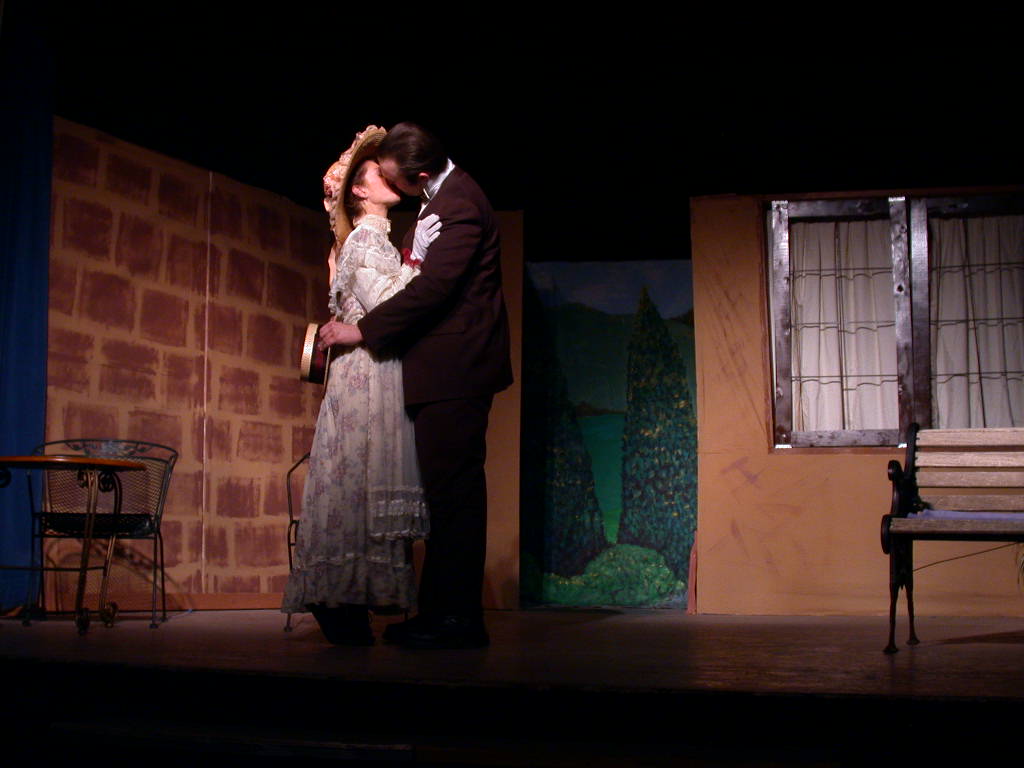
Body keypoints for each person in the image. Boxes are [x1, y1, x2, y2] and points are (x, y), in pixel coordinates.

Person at [319, 122, 512, 649]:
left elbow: (435, 290)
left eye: (391, 175)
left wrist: (364, 330)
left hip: (456, 367)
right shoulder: (437, 201)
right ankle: (441, 613)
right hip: (440, 368)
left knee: (454, 495)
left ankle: (456, 619)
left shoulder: (459, 204)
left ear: (419, 175)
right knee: (446, 495)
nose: (387, 181)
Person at [281, 126, 440, 645]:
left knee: (364, 482)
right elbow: (387, 306)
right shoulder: (366, 238)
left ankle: (352, 597)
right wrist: (425, 273)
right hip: (365, 374)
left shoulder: (377, 239)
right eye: (378, 172)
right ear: (359, 189)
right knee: (356, 479)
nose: (390, 176)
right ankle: (338, 598)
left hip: (377, 367)